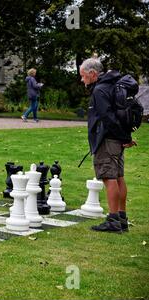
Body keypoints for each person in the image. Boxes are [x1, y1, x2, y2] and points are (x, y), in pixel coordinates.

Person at [79, 57, 137, 233]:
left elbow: (107, 117)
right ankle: (121, 218)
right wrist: (125, 137)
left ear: (92, 74)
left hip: (107, 139)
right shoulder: (113, 85)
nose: (82, 80)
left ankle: (113, 221)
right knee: (118, 176)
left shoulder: (100, 90)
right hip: (117, 139)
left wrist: (121, 137)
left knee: (109, 178)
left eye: (83, 76)